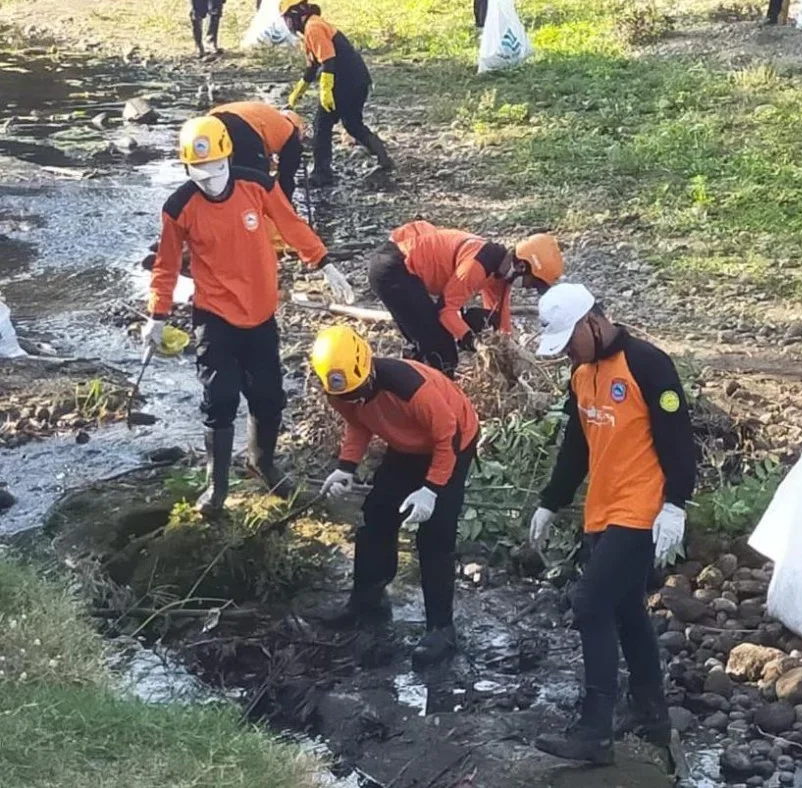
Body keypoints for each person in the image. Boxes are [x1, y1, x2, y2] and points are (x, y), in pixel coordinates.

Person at [143, 116, 355, 517]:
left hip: (260, 314)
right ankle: (216, 486)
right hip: (214, 315)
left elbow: (291, 225)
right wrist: (158, 315)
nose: (209, 178)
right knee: (219, 397)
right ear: (186, 167)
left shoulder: (257, 185)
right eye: (198, 171)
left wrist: (324, 264)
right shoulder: (179, 208)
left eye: (216, 167)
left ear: (227, 156)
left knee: (269, 396)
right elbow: (165, 265)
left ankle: (263, 463)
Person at [529, 283, 695, 764]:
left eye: (569, 342)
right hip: (601, 511)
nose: (566, 355)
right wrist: (550, 502)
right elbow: (576, 446)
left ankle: (594, 732)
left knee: (589, 604)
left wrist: (676, 503)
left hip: (641, 511)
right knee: (625, 610)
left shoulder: (647, 364)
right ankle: (651, 712)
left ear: (593, 323)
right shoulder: (582, 375)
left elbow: (678, 438)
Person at [312, 325, 478, 665]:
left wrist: (431, 491)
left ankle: (441, 630)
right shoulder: (339, 389)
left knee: (435, 536)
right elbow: (358, 422)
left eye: (359, 392)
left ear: (368, 369)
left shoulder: (412, 389)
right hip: (406, 445)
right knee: (377, 515)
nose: (354, 400)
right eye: (347, 397)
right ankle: (367, 602)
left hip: (452, 441)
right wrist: (347, 466)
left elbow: (448, 438)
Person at [367, 221, 563, 377]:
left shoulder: (500, 273)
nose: (529, 287)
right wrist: (473, 341)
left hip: (403, 269)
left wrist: (510, 355)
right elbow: (446, 311)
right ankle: (433, 394)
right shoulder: (477, 265)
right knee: (441, 352)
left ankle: (421, 371)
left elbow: (500, 321)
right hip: (393, 270)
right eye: (532, 282)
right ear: (522, 266)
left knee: (448, 334)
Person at [280, 0, 394, 186]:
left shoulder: (313, 28)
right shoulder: (312, 27)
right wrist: (296, 95)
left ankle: (321, 174)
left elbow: (329, 60)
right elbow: (312, 67)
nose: (287, 24)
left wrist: (326, 91)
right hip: (358, 80)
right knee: (352, 124)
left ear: (296, 13)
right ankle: (384, 158)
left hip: (346, 82)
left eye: (287, 18)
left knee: (321, 126)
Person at [209, 101, 305, 200]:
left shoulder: (270, 117)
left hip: (211, 121)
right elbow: (286, 178)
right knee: (256, 177)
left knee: (215, 169)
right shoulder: (291, 134)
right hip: (242, 125)